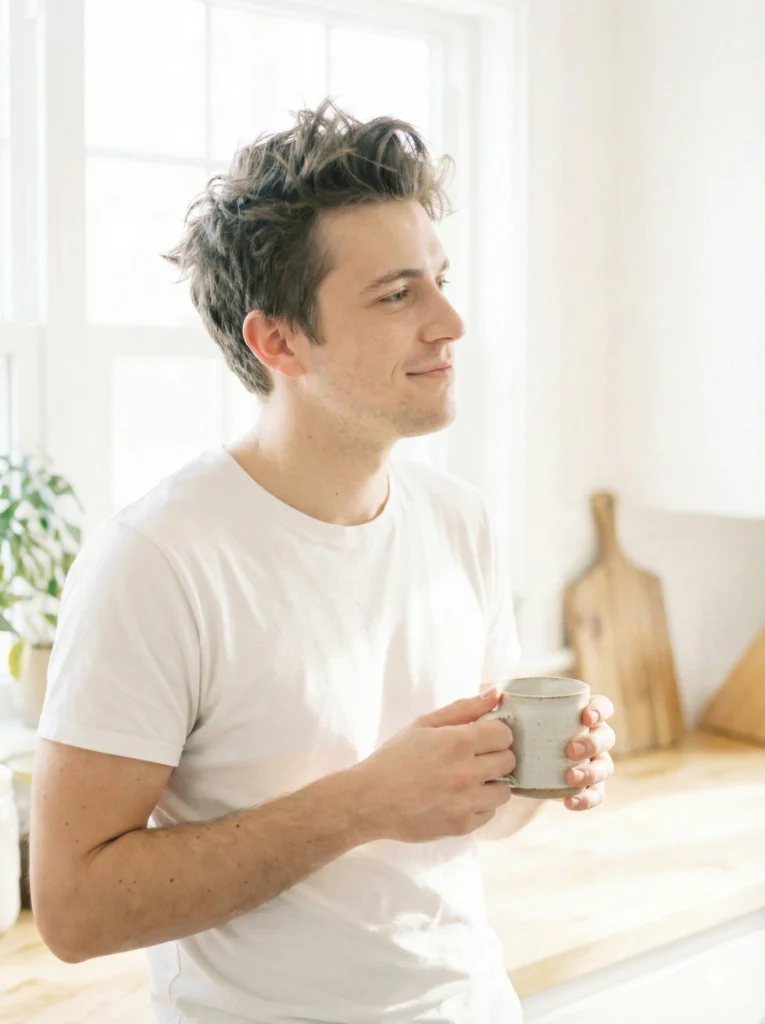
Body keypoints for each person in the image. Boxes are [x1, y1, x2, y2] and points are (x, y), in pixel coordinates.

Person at [31, 100, 615, 1024]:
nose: (450, 321)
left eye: (440, 279)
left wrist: (541, 771)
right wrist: (360, 804)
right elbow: (73, 910)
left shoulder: (462, 523)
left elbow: (475, 813)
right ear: (278, 342)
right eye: (397, 295)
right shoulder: (157, 560)